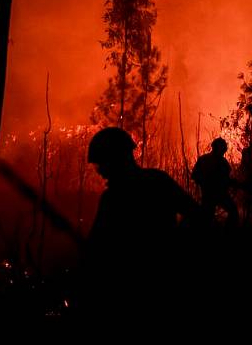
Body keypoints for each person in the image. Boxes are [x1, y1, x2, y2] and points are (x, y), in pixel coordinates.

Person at [80, 127, 199, 318]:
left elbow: (96, 247)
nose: (100, 171)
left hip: (131, 290)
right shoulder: (158, 180)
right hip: (164, 281)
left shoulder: (113, 198)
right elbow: (195, 213)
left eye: (102, 164)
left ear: (117, 159)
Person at [191, 137, 238, 227]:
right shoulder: (211, 161)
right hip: (214, 195)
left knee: (208, 218)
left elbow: (195, 176)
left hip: (213, 195)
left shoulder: (206, 160)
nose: (224, 151)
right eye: (223, 148)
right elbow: (195, 176)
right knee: (232, 211)